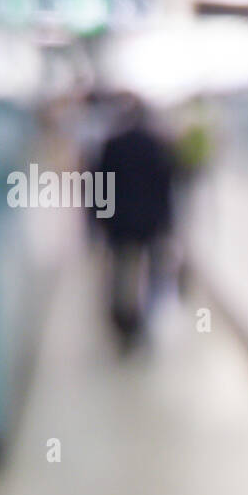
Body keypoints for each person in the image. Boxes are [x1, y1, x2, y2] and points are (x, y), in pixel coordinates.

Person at [92, 93, 176, 349]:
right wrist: (167, 222)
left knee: (120, 271)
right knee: (151, 271)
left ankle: (123, 320)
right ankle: (143, 317)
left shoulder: (112, 145)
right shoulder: (156, 145)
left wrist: (99, 218)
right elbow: (165, 186)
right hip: (150, 222)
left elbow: (99, 187)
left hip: (120, 222)